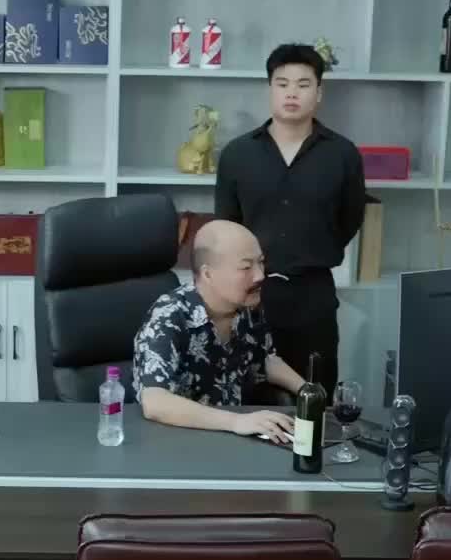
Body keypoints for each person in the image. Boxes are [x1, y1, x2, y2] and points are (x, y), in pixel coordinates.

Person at [213, 43, 366, 400]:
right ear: (270, 89)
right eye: (282, 84)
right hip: (250, 297)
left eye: (303, 84)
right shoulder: (238, 154)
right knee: (247, 399)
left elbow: (350, 219)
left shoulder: (342, 154)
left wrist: (311, 250)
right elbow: (227, 226)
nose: (292, 93)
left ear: (319, 93)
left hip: (313, 297)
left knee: (314, 398)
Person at [133, 219, 303, 442]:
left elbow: (264, 359)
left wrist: (308, 390)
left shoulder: (248, 307)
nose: (260, 275)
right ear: (208, 274)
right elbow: (155, 402)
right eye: (246, 267)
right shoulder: (169, 316)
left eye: (261, 263)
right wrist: (236, 422)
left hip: (232, 436)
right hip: (176, 439)